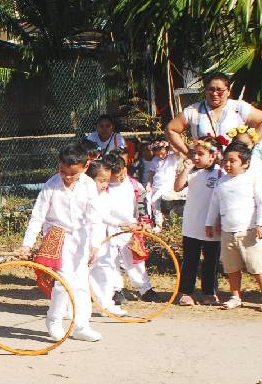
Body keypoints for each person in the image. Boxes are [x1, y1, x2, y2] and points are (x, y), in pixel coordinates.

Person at [17, 144, 103, 342]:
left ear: (85, 166)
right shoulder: (51, 185)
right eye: (63, 171)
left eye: (73, 173)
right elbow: (37, 216)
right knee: (64, 281)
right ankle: (54, 320)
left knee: (81, 282)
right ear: (59, 165)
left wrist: (95, 244)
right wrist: (27, 244)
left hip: (81, 240)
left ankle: (81, 324)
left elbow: (95, 217)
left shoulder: (89, 184)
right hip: (57, 238)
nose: (67, 177)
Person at [205, 141, 262, 311]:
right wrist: (209, 222)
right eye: (226, 161)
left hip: (249, 231)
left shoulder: (251, 179)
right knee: (232, 267)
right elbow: (214, 204)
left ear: (245, 163)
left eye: (233, 161)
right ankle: (235, 296)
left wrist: (261, 224)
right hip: (228, 232)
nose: (227, 164)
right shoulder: (221, 182)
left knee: (256, 265)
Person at [166, 72, 262, 155]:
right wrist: (188, 153)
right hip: (205, 170)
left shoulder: (238, 107)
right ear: (205, 90)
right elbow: (171, 129)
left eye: (219, 90)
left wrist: (250, 144)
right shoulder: (194, 110)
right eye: (211, 89)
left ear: (228, 91)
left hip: (233, 167)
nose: (215, 93)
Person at [102, 152, 159, 304]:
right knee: (110, 260)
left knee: (135, 260)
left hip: (131, 229)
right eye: (117, 175)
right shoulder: (102, 188)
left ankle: (144, 288)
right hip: (109, 230)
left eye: (123, 172)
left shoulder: (133, 185)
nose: (121, 177)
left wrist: (145, 221)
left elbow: (143, 203)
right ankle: (116, 290)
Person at [173, 136, 223, 306]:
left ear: (213, 155)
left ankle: (209, 292)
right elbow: (177, 187)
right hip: (192, 224)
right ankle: (186, 291)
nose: (195, 157)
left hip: (212, 226)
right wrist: (186, 169)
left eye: (200, 154)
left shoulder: (220, 174)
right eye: (194, 153)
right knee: (190, 260)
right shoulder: (193, 173)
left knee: (211, 261)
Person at [87, 159, 129, 317]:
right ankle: (68, 307)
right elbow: (98, 217)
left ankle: (106, 304)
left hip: (99, 241)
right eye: (101, 180)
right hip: (81, 241)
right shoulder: (83, 196)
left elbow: (106, 216)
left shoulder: (104, 196)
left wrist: (125, 223)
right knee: (78, 276)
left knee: (104, 271)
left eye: (107, 180)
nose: (105, 184)